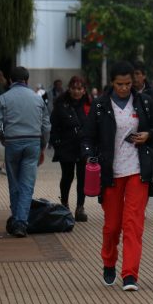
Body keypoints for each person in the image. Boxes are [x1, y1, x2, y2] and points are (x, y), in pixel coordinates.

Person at [81, 61, 153, 291]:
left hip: (138, 170)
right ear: (112, 83)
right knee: (112, 226)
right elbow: (87, 138)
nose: (124, 88)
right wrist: (90, 157)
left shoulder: (144, 102)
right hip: (110, 173)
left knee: (133, 224)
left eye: (129, 83)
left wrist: (149, 135)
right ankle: (109, 262)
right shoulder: (100, 105)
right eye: (120, 84)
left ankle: (130, 275)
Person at [0, 66, 51, 238]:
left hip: (12, 143)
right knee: (27, 184)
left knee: (14, 183)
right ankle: (21, 222)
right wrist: (43, 146)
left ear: (10, 80)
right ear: (27, 80)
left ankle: (17, 219)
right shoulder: (37, 99)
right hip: (33, 143)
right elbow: (46, 126)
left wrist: (2, 137)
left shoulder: (3, 98)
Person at [50, 76, 91, 222]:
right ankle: (64, 205)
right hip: (66, 147)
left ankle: (80, 207)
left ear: (84, 90)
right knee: (67, 176)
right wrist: (57, 144)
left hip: (83, 147)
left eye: (79, 88)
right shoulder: (61, 104)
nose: (76, 91)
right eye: (73, 88)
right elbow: (53, 126)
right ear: (69, 89)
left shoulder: (89, 105)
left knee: (82, 178)